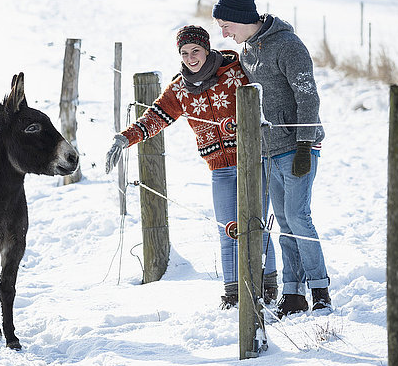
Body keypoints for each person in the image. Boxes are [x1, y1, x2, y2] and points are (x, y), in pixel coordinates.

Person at [105, 25, 278, 309]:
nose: (190, 57)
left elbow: (264, 100)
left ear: (207, 48)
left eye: (195, 50)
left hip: (252, 161)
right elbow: (154, 118)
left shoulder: (236, 71)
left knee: (257, 225)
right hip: (220, 169)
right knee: (229, 230)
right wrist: (125, 138)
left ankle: (267, 285)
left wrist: (249, 123)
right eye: (184, 53)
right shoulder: (180, 90)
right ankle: (233, 293)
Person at [213, 0, 332, 318]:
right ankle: (293, 294)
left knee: (298, 216)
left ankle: (320, 290)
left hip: (297, 147)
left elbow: (307, 95)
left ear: (240, 18)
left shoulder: (288, 46)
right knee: (282, 221)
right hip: (269, 150)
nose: (224, 33)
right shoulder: (249, 50)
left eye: (226, 26)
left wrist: (305, 145)